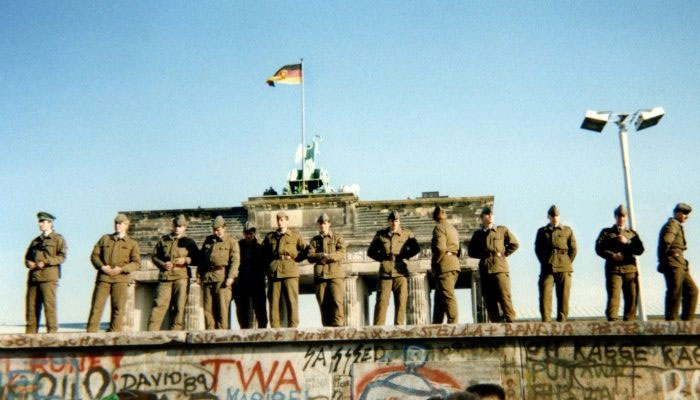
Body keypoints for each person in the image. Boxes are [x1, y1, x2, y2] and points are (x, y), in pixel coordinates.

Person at [87, 213, 141, 332]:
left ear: (126, 225)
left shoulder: (132, 243)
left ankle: (115, 334)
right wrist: (102, 267)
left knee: (118, 309)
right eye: (116, 223)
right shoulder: (105, 239)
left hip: (120, 279)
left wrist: (122, 269)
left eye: (120, 224)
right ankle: (90, 334)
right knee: (97, 307)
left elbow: (136, 262)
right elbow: (94, 256)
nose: (117, 226)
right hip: (104, 278)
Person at [367, 210, 420, 325]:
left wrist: (405, 256)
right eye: (392, 221)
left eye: (396, 221)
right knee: (382, 302)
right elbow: (370, 252)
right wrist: (382, 258)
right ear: (388, 222)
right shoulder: (381, 234)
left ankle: (399, 327)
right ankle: (378, 328)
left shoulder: (407, 233)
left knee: (401, 302)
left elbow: (416, 248)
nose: (394, 223)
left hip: (400, 271)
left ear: (399, 221)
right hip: (385, 272)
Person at [147, 214, 199, 331]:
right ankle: (151, 333)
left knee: (179, 307)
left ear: (184, 227)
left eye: (180, 226)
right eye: (175, 226)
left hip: (181, 277)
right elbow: (154, 256)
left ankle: (175, 333)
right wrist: (163, 264)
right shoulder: (163, 240)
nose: (177, 228)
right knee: (159, 305)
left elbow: (197, 258)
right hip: (165, 277)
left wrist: (185, 260)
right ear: (172, 226)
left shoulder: (189, 242)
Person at [468, 206, 519, 323]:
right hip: (485, 268)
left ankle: (511, 321)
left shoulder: (501, 230)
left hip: (499, 267)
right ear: (482, 218)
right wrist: (484, 255)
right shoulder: (478, 234)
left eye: (491, 214)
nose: (490, 216)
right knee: (489, 299)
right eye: (487, 214)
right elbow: (471, 251)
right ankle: (495, 325)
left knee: (504, 295)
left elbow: (514, 244)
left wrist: (504, 254)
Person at [595, 205, 644, 321]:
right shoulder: (606, 232)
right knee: (614, 296)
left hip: (630, 269)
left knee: (631, 297)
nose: (621, 218)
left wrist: (627, 242)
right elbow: (599, 248)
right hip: (614, 269)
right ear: (615, 217)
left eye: (623, 216)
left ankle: (629, 322)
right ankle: (612, 322)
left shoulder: (632, 234)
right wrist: (612, 255)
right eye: (619, 216)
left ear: (626, 217)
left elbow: (640, 250)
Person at [23, 211, 67, 333]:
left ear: (50, 223)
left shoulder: (58, 239)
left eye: (43, 222)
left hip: (48, 278)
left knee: (49, 307)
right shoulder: (35, 241)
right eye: (39, 222)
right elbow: (27, 258)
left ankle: (52, 334)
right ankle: (30, 335)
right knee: (31, 308)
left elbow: (62, 257)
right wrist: (29, 263)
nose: (40, 224)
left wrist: (46, 262)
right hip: (34, 278)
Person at [262, 211, 306, 328]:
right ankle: (275, 329)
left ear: (287, 221)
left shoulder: (295, 236)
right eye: (278, 220)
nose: (279, 222)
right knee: (274, 302)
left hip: (290, 271)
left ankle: (293, 328)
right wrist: (269, 265)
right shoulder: (270, 237)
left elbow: (306, 250)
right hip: (274, 272)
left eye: (282, 220)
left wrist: (295, 259)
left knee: (292, 300)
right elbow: (262, 253)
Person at [534, 205, 577, 322]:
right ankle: (546, 321)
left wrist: (566, 262)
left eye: (557, 215)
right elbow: (538, 249)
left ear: (559, 216)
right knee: (545, 294)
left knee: (564, 296)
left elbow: (573, 249)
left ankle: (562, 321)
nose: (555, 218)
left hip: (564, 267)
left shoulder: (567, 230)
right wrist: (545, 261)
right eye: (552, 216)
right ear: (549, 217)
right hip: (547, 267)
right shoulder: (542, 231)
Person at [657, 203, 697, 321]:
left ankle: (687, 321)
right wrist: (664, 260)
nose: (686, 216)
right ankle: (671, 321)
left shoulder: (677, 225)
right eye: (684, 213)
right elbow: (665, 242)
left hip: (680, 262)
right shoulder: (672, 224)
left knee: (692, 291)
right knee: (675, 291)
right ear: (677, 213)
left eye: (687, 214)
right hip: (673, 262)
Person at [199, 215, 240, 329]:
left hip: (222, 278)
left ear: (224, 227)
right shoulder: (208, 240)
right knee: (208, 310)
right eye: (214, 230)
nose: (215, 232)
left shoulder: (231, 242)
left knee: (222, 309)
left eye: (218, 230)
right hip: (208, 277)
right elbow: (202, 259)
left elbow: (235, 261)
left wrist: (231, 277)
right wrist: (199, 275)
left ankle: (222, 334)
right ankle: (210, 334)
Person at [307, 213, 347, 327]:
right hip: (321, 276)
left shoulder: (337, 237)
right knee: (323, 303)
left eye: (324, 223)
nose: (322, 226)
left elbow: (341, 252)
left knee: (337, 301)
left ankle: (339, 327)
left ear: (329, 224)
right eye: (320, 223)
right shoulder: (314, 240)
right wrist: (321, 255)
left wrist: (328, 257)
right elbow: (310, 256)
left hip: (335, 274)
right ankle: (327, 328)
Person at [235, 222, 268, 329]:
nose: (248, 235)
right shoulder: (238, 247)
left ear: (254, 233)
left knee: (260, 309)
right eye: (246, 233)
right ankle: (244, 330)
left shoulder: (260, 248)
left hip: (257, 283)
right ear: (243, 233)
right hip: (243, 282)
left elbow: (265, 265)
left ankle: (263, 331)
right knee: (242, 310)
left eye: (250, 233)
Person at [431, 206, 460, 324]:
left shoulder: (439, 227)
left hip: (444, 265)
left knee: (448, 296)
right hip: (453, 264)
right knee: (439, 298)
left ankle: (453, 325)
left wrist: (435, 263)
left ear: (436, 216)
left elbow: (441, 248)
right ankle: (435, 326)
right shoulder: (453, 228)